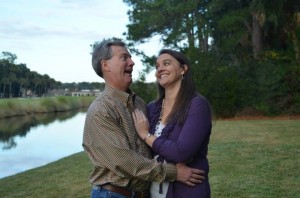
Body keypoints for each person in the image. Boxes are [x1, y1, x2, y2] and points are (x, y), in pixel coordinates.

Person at [82, 39, 206, 198]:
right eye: (124, 58)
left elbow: (155, 143)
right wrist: (174, 172)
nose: (132, 62)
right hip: (113, 194)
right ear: (105, 65)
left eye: (130, 57)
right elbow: (124, 161)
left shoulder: (139, 103)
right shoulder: (101, 110)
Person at [132, 49, 212, 197]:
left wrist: (145, 134)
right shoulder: (152, 108)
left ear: (183, 69)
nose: (160, 69)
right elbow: (143, 151)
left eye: (166, 63)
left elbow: (181, 152)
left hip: (186, 191)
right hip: (153, 190)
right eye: (157, 66)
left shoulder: (197, 105)